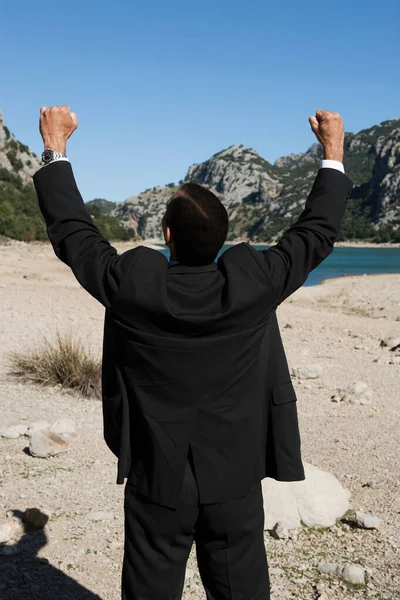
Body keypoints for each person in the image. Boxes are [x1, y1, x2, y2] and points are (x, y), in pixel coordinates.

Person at [33, 106, 352, 600]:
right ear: (223, 240)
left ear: (166, 237)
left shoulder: (132, 287)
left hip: (158, 479)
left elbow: (74, 234)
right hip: (236, 475)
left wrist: (55, 149)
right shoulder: (256, 284)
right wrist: (333, 152)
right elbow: (316, 232)